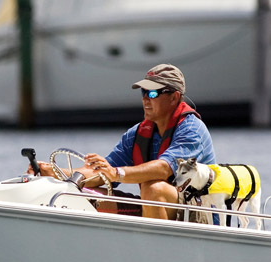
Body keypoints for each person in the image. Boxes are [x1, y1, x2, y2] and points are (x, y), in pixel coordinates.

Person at [32, 64, 216, 220]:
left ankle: (155, 255)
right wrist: (56, 173)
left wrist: (116, 173)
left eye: (152, 93)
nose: (145, 99)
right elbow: (102, 174)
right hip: (160, 208)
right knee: (84, 194)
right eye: (143, 92)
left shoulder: (192, 129)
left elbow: (164, 168)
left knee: (154, 189)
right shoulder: (136, 134)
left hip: (201, 215)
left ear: (174, 97)